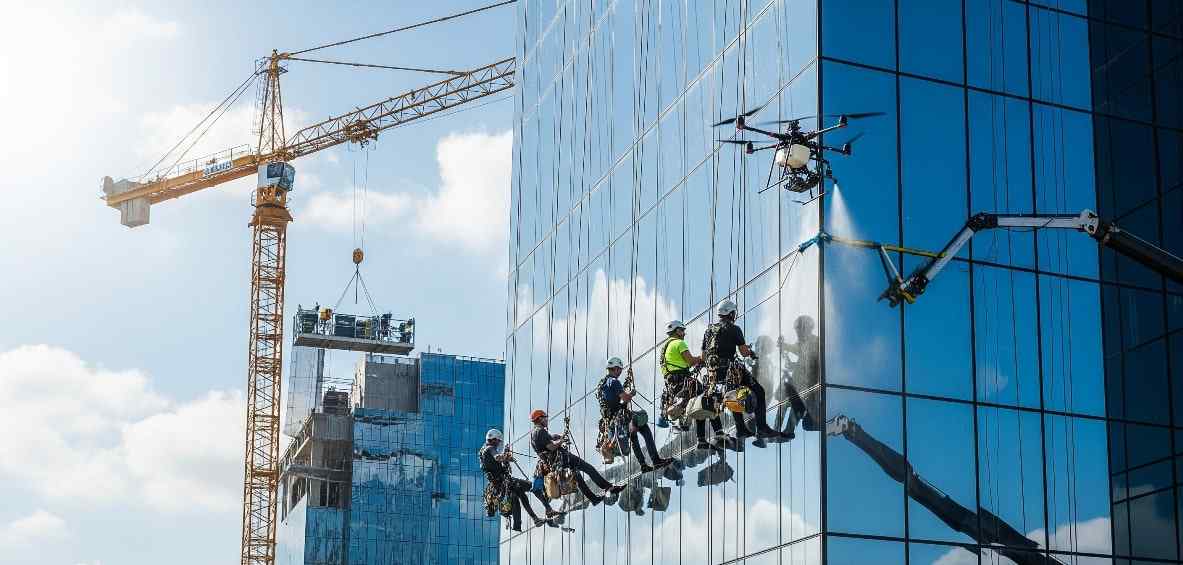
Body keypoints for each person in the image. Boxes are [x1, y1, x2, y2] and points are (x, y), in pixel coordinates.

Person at [702, 300, 790, 447]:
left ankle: (741, 429)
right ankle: (762, 428)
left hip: (715, 373)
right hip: (732, 369)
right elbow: (743, 352)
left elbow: (704, 356)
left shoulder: (709, 331)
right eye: (734, 313)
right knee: (759, 391)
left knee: (733, 395)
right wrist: (751, 353)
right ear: (731, 313)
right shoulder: (734, 329)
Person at [529, 409, 625, 506]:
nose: (547, 420)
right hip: (562, 458)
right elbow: (551, 446)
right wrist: (561, 441)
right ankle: (608, 487)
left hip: (555, 462)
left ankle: (594, 499)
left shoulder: (534, 434)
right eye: (545, 418)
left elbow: (545, 444)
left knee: (577, 477)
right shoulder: (540, 431)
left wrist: (556, 437)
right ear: (540, 418)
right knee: (588, 468)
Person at [658, 320, 727, 451]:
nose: (684, 333)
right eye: (682, 330)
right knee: (708, 398)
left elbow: (678, 365)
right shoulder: (679, 343)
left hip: (673, 384)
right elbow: (690, 361)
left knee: (698, 404)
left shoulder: (665, 348)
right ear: (677, 331)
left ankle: (701, 440)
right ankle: (718, 432)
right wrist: (701, 359)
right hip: (683, 381)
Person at [596, 357, 675, 472]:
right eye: (620, 370)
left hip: (612, 419)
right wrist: (631, 393)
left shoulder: (602, 384)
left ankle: (643, 465)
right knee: (644, 426)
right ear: (616, 369)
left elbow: (612, 400)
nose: (620, 372)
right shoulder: (614, 382)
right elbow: (625, 398)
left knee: (633, 436)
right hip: (620, 417)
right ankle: (655, 460)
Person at [479, 429, 559, 531]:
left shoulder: (483, 451)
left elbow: (496, 465)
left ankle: (538, 516)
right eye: (498, 441)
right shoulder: (490, 448)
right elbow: (497, 457)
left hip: (501, 484)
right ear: (493, 440)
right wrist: (506, 457)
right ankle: (546, 510)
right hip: (504, 483)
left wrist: (506, 455)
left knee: (522, 493)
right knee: (530, 487)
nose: (499, 443)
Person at [774, 315, 822, 435]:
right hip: (801, 382)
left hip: (809, 385)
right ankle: (775, 430)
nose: (797, 334)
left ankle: (789, 430)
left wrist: (784, 346)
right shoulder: (803, 342)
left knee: (797, 403)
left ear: (806, 328)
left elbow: (809, 361)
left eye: (799, 330)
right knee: (784, 403)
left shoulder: (814, 341)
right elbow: (802, 359)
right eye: (797, 331)